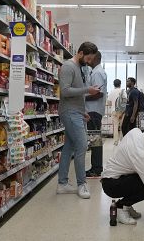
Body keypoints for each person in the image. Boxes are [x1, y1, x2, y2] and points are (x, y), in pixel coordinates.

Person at [57, 42, 100, 199]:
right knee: (82, 145)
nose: (89, 62)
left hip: (76, 112)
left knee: (69, 147)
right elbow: (65, 91)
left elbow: (76, 94)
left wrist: (84, 111)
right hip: (69, 112)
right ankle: (82, 184)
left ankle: (62, 184)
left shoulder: (79, 68)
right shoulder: (68, 67)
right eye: (88, 58)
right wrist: (88, 90)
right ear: (80, 53)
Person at [85, 51, 107, 178]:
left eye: (90, 57)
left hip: (93, 111)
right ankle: (96, 167)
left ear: (96, 58)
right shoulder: (96, 71)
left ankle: (96, 168)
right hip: (94, 111)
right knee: (95, 139)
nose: (88, 59)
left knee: (95, 140)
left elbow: (98, 93)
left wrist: (82, 98)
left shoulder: (97, 73)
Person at [107, 79, 126, 145]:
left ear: (113, 84)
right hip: (122, 111)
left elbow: (109, 103)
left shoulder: (111, 92)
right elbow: (125, 101)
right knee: (122, 126)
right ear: (120, 84)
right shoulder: (123, 91)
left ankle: (116, 141)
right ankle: (122, 140)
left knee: (115, 126)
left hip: (114, 111)